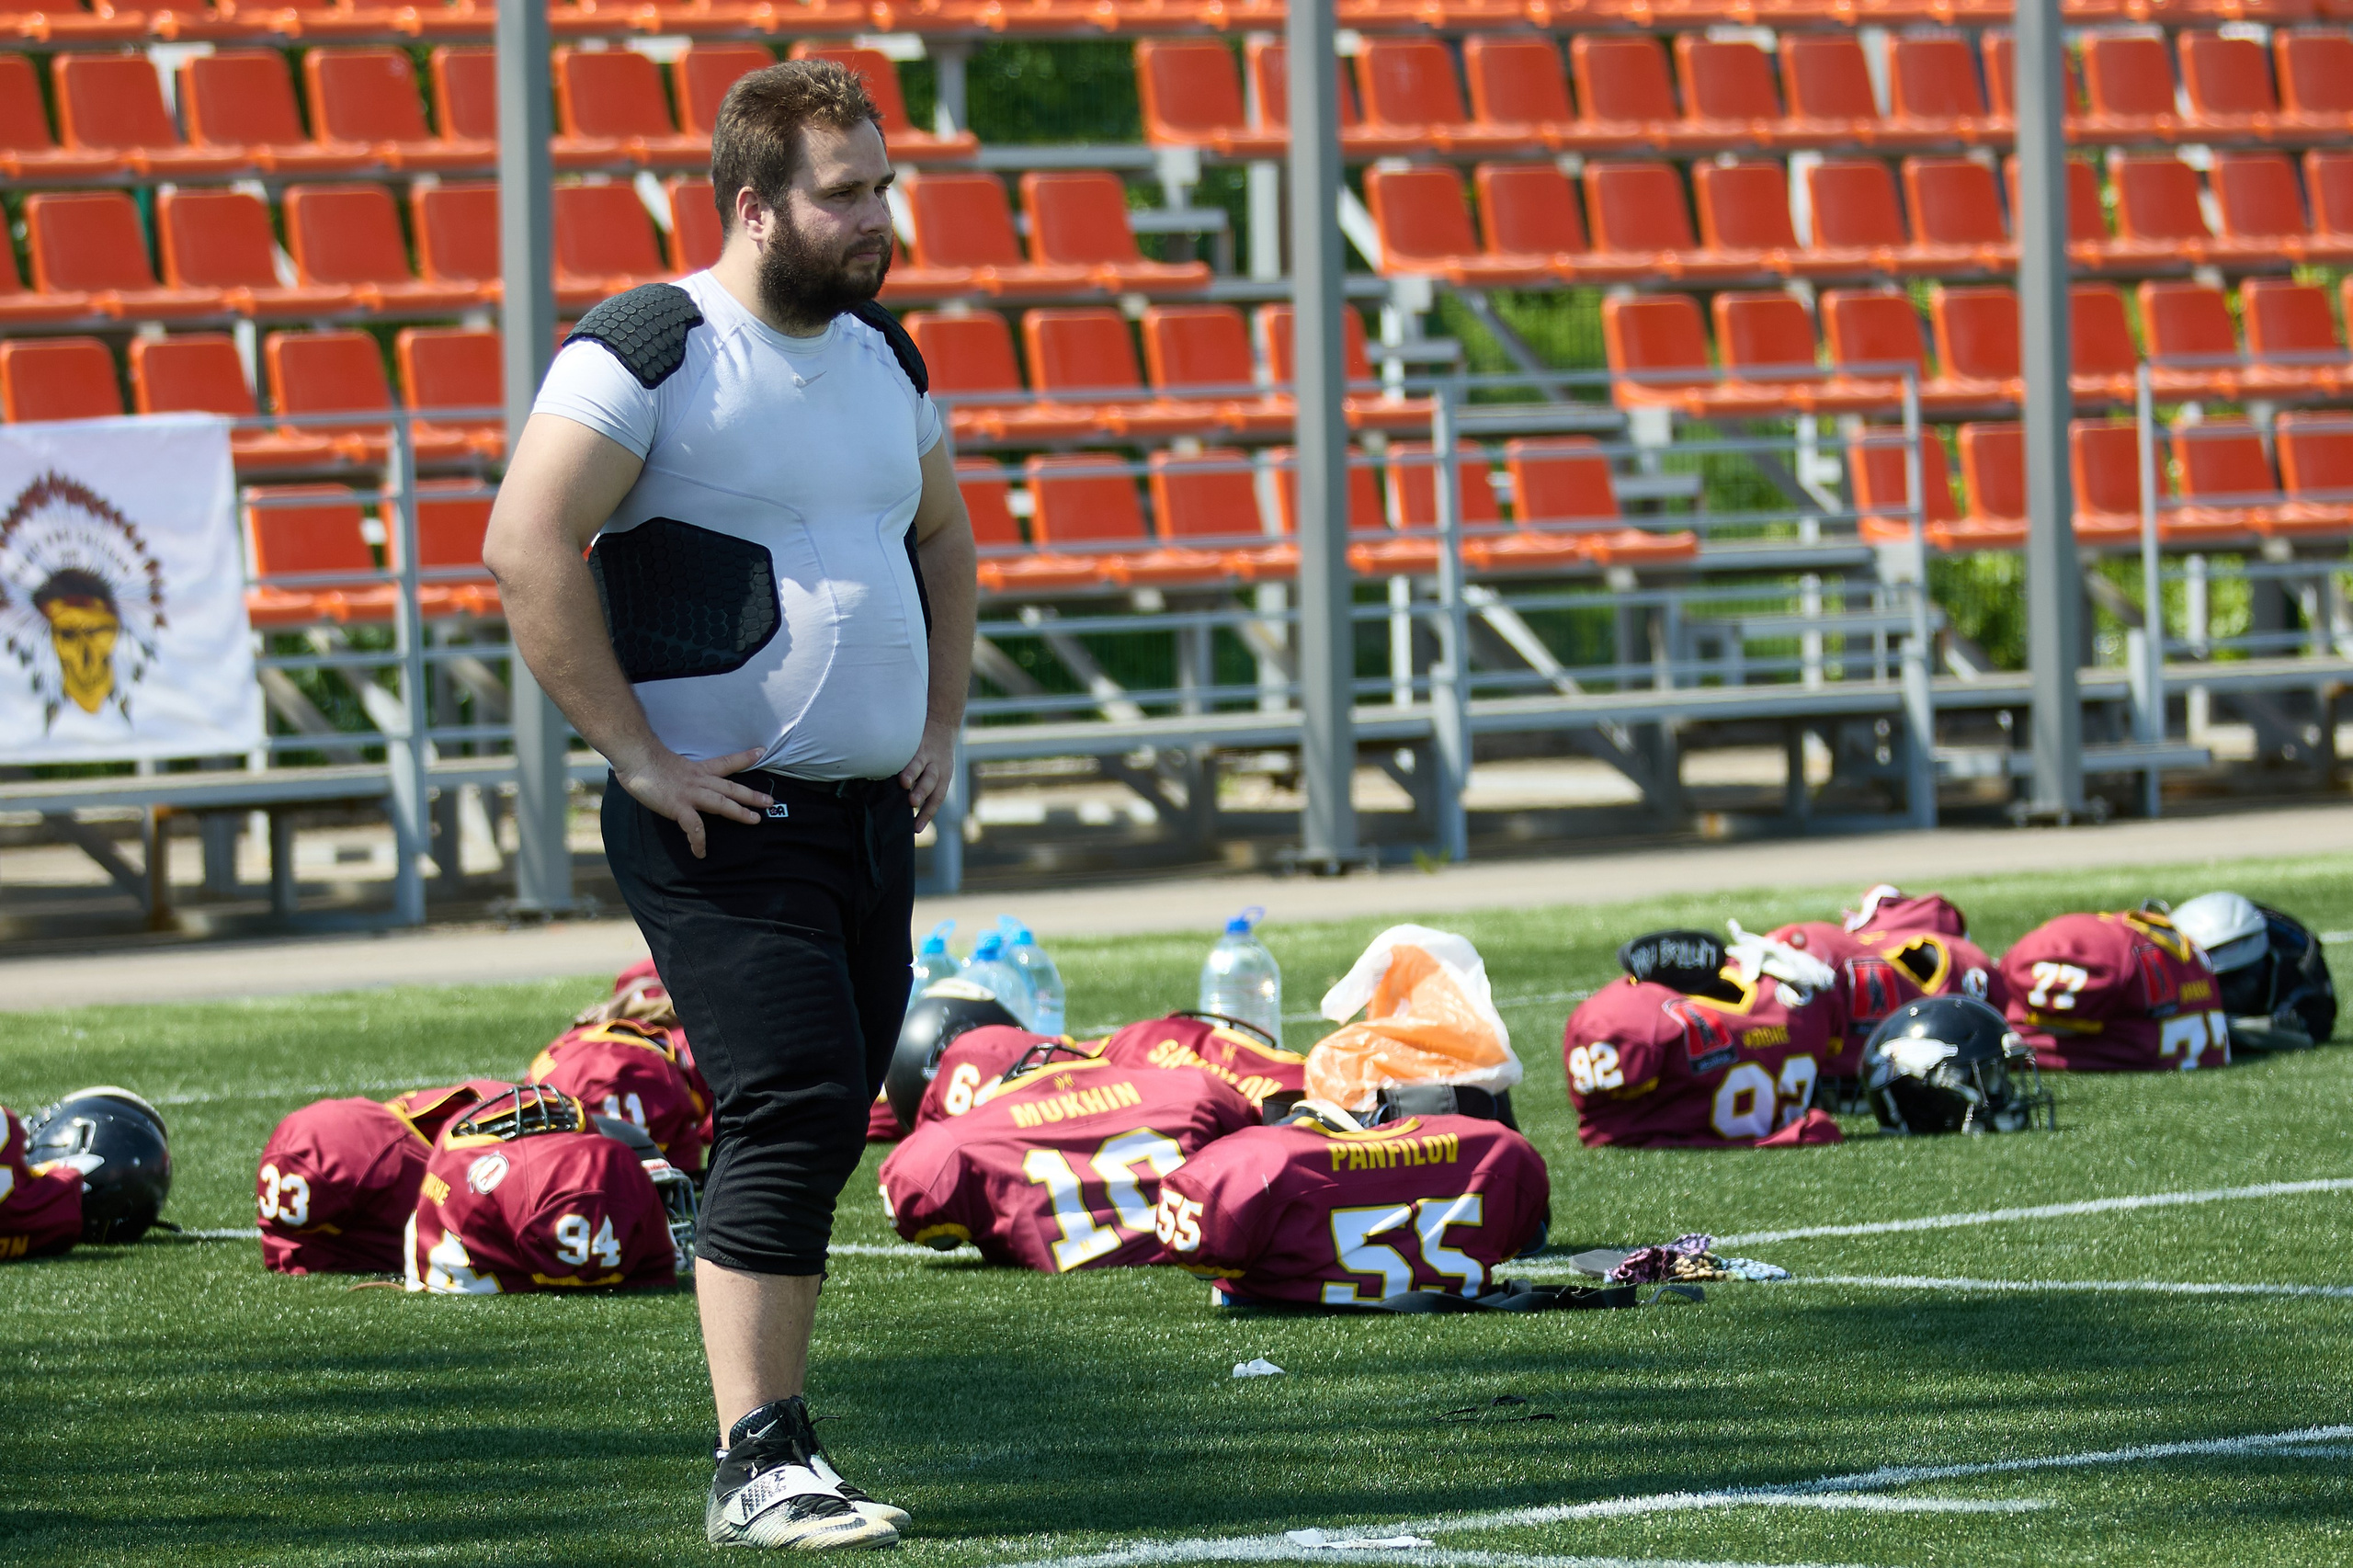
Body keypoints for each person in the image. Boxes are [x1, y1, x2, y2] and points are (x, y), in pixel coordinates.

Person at [482, 58, 974, 1551]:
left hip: (863, 818)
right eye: (845, 193)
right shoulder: (648, 349)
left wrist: (939, 719)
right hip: (720, 820)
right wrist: (637, 756)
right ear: (755, 203)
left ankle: (772, 1429)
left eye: (882, 185)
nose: (877, 216)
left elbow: (944, 541)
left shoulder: (886, 356)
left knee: (828, 1110)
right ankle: (756, 1458)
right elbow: (526, 545)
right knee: (794, 1095)